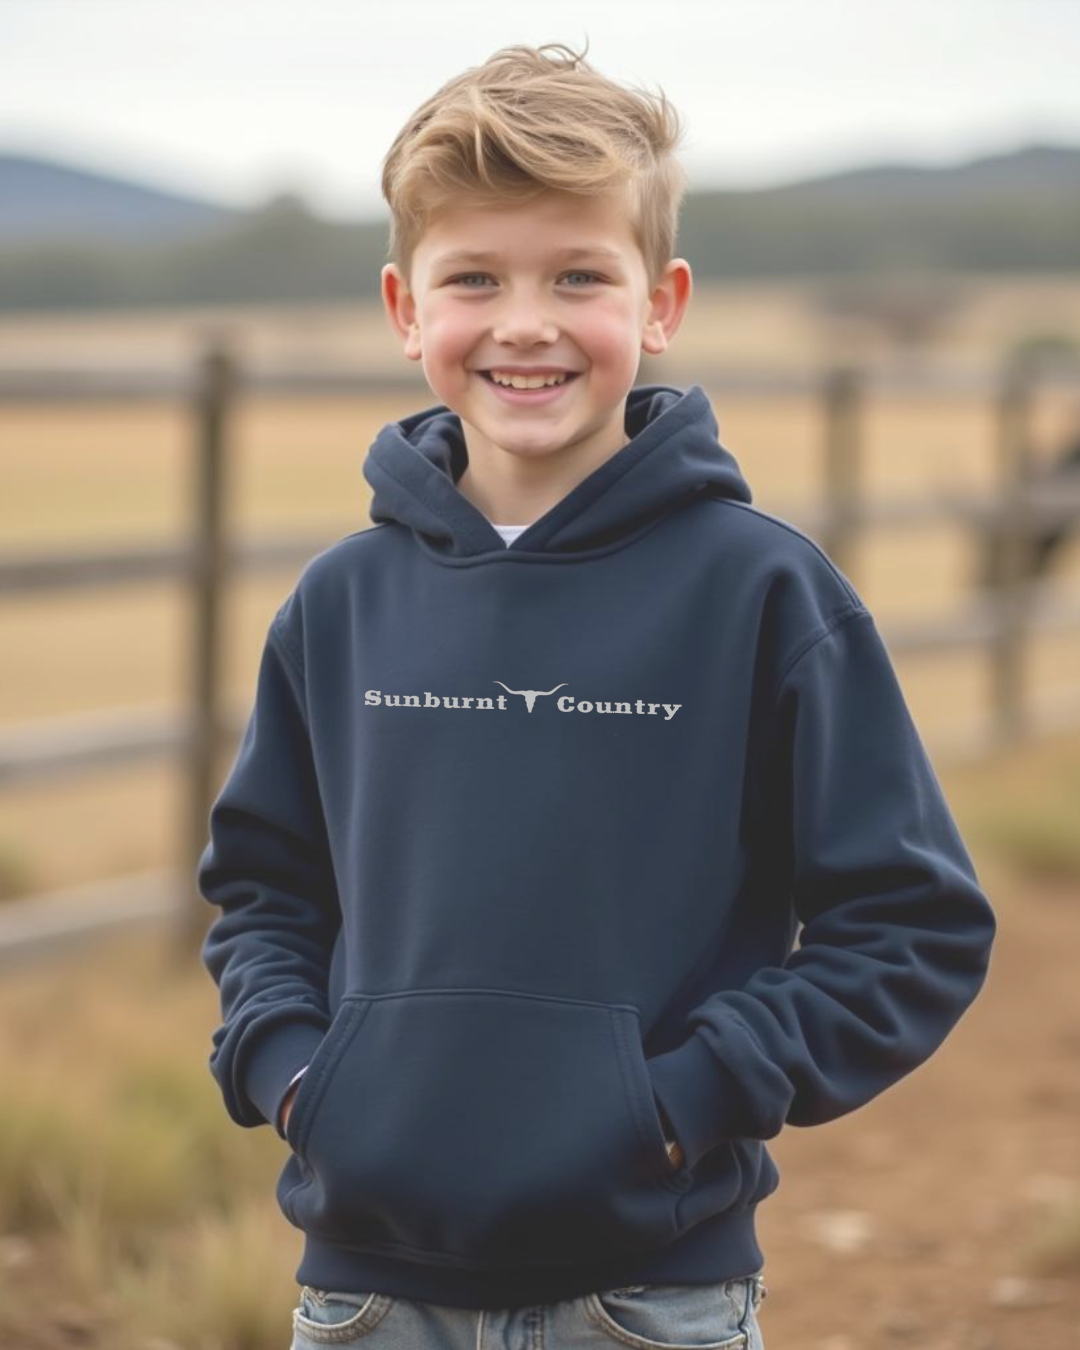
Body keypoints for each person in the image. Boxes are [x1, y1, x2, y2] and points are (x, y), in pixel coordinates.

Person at [198, 39, 997, 1350]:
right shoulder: (340, 603)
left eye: (579, 274)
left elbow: (913, 922)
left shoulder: (761, 593)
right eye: (475, 277)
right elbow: (265, 893)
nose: (526, 321)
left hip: (652, 1292)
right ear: (405, 308)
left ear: (661, 300)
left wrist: (683, 1100)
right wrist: (297, 1079)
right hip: (364, 1293)